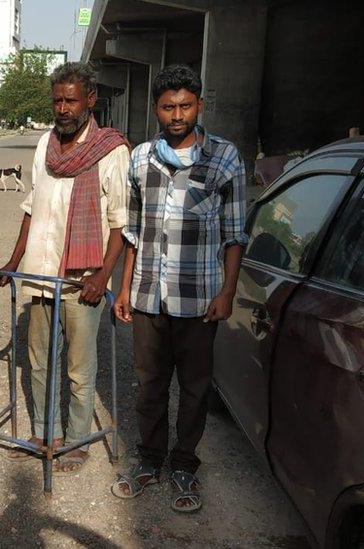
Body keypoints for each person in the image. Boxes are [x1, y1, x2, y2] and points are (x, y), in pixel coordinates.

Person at [111, 64, 247, 513]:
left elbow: (234, 235)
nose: (176, 115)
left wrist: (227, 291)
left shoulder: (225, 159)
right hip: (149, 295)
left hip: (200, 299)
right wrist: (125, 289)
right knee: (149, 386)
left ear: (199, 106)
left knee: (194, 388)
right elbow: (134, 231)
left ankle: (185, 464)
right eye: (168, 107)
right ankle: (149, 460)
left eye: (185, 106)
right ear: (156, 109)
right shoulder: (140, 158)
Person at [0, 62, 129, 475]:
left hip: (82, 280)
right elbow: (31, 207)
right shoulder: (45, 145)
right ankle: (43, 431)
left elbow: (121, 223)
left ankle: (74, 439)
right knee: (38, 361)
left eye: (71, 100)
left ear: (90, 100)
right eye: (57, 100)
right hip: (40, 271)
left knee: (78, 366)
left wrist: (103, 277)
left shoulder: (111, 150)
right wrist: (14, 261)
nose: (63, 108)